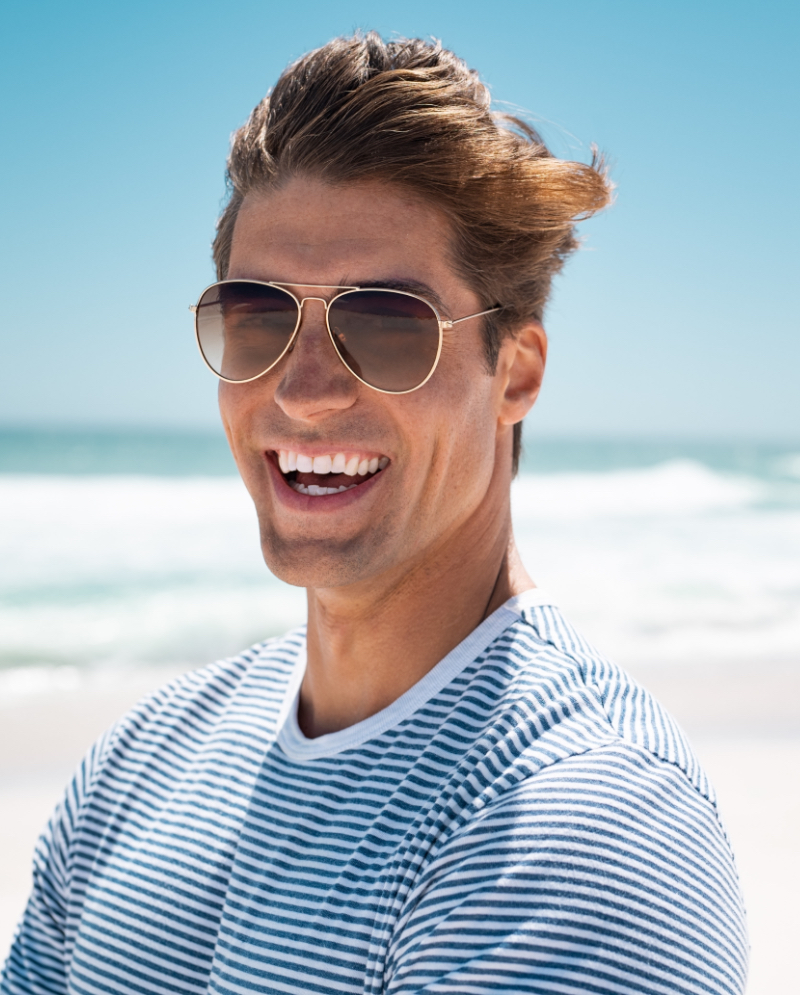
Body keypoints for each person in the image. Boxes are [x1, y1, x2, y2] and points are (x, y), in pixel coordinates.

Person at [2, 32, 747, 995]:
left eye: (386, 326)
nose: (304, 391)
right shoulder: (143, 762)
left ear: (514, 372)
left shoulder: (582, 825)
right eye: (260, 318)